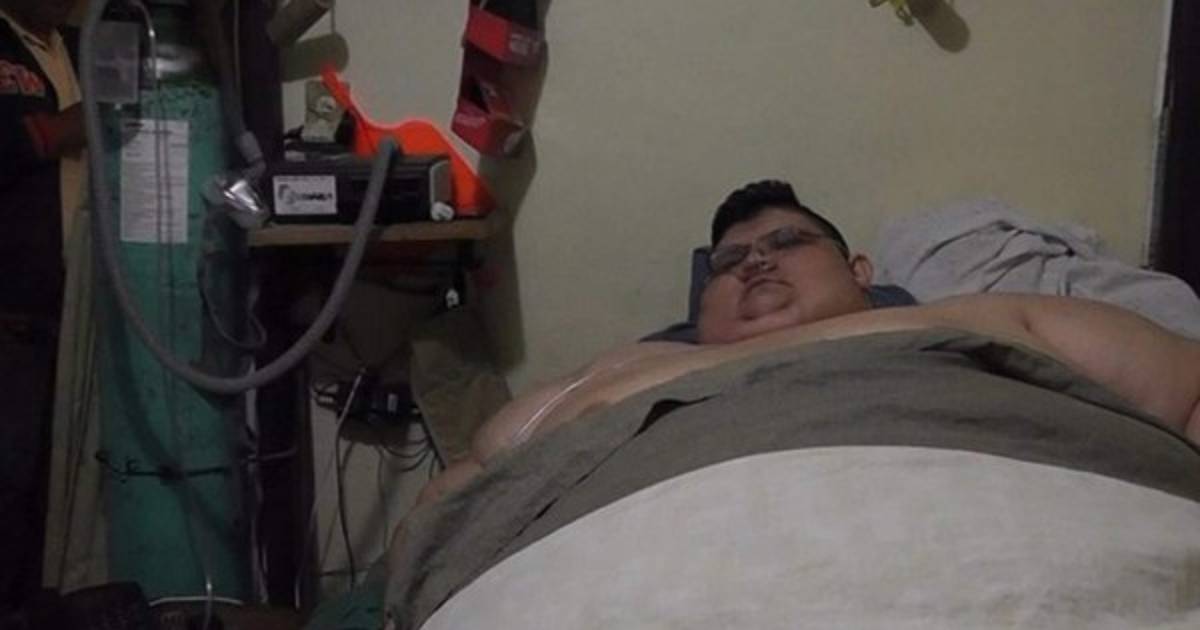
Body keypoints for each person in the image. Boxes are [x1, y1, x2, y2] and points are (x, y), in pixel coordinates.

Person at [404, 180, 1200, 511]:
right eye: (729, 262)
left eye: (788, 242)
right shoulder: (623, 371)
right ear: (701, 304)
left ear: (861, 272)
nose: (755, 262)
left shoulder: (979, 315)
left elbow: (1189, 390)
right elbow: (461, 498)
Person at [0, 0, 84, 613]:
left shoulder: (76, 47)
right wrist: (69, 127)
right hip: (11, 317)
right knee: (8, 484)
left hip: (74, 314)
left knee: (51, 502)